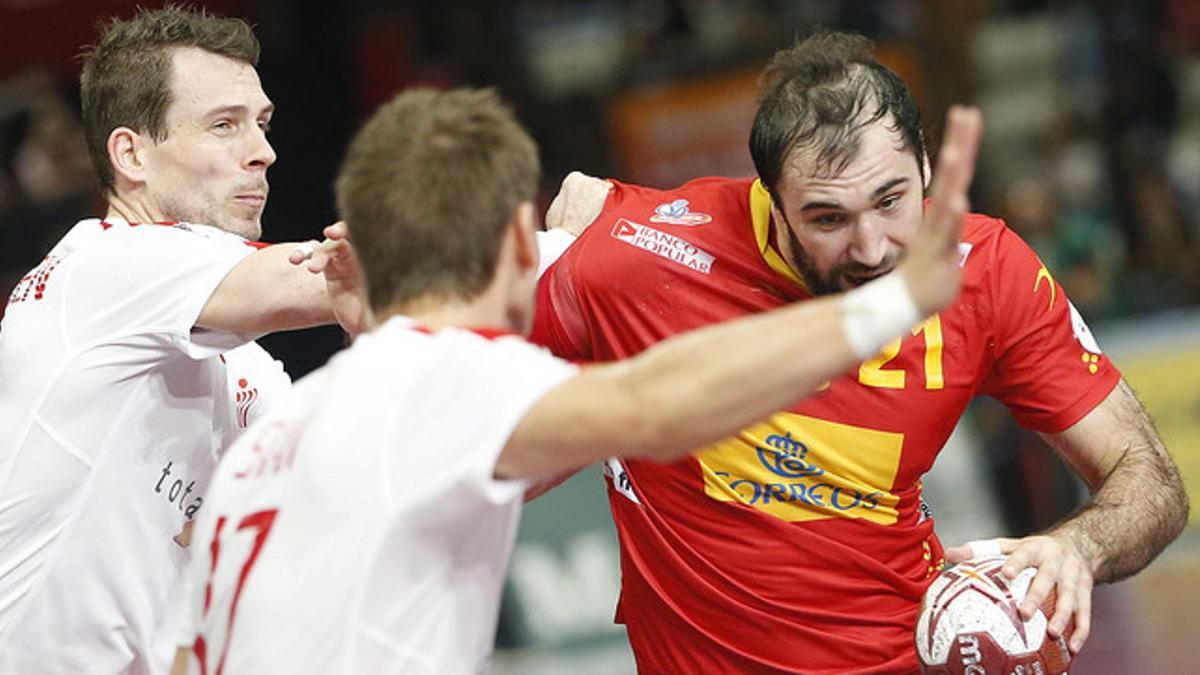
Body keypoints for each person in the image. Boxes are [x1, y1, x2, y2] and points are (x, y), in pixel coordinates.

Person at [169, 85, 980, 673]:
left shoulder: (282, 430)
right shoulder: (453, 382)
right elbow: (655, 402)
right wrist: (896, 302)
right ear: (524, 245)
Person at [530, 31, 1190, 673]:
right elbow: (476, 426)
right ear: (772, 201)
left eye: (891, 199)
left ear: (925, 166)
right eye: (827, 218)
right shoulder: (631, 261)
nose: (872, 247)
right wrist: (557, 259)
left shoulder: (987, 273)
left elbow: (1150, 479)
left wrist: (1076, 545)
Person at [0, 7, 372, 673]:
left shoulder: (240, 362)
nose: (263, 150)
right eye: (224, 125)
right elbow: (329, 286)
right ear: (131, 153)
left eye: (261, 123)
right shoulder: (104, 267)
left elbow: (348, 477)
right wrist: (577, 257)